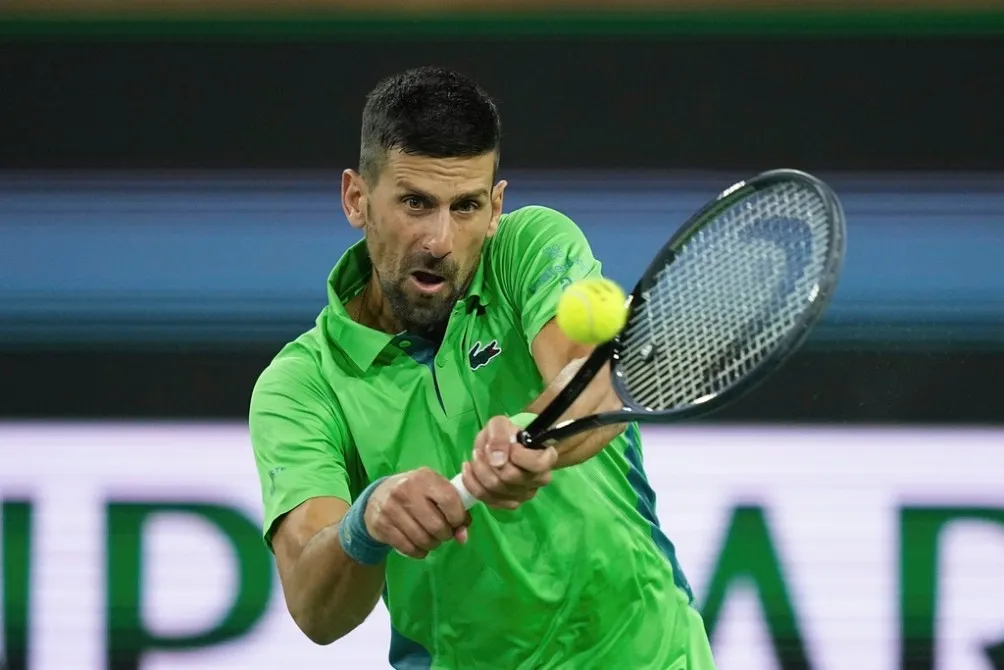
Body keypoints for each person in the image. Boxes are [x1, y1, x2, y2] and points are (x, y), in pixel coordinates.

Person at [248, 65, 717, 669]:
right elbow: (316, 610)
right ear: (356, 199)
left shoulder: (529, 247)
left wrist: (534, 438)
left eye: (466, 206)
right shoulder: (301, 386)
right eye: (415, 203)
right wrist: (368, 522)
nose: (440, 239)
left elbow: (594, 385)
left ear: (496, 208)